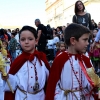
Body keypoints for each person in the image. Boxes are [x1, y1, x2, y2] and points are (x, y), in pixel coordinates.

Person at [45, 23, 98, 100]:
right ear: (73, 40)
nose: (87, 43)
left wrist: (95, 85)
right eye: (85, 40)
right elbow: (53, 85)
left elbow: (92, 82)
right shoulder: (60, 59)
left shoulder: (86, 59)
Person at [1, 26, 50, 100]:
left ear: (36, 41)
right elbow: (16, 81)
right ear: (19, 42)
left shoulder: (42, 58)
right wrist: (8, 78)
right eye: (23, 39)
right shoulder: (18, 60)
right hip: (23, 96)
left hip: (40, 96)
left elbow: (49, 79)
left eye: (30, 39)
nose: (26, 42)